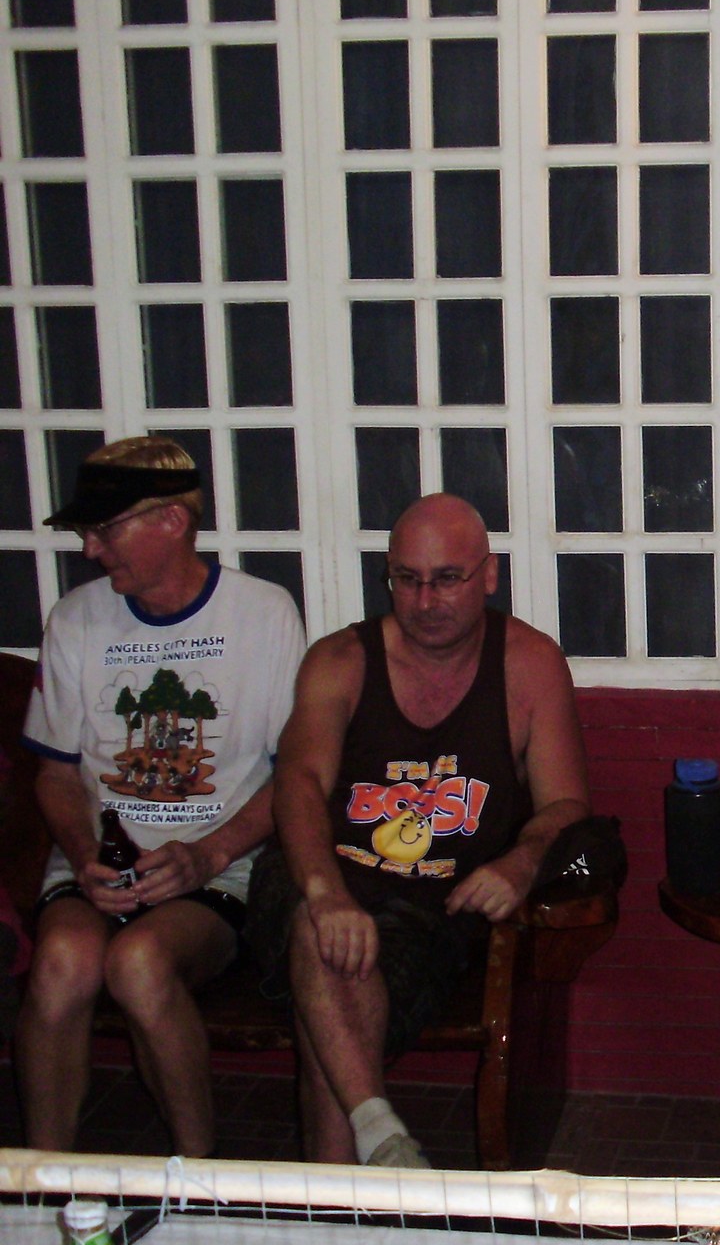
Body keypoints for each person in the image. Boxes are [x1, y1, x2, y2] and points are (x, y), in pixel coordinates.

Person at [260, 494, 589, 1168]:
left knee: (327, 1020)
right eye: (406, 579)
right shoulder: (340, 660)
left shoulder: (528, 663)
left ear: (488, 575)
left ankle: (350, 1182)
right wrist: (324, 890)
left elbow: (567, 805)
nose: (425, 600)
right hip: (317, 876)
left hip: (436, 908)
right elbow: (296, 782)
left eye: (447, 578)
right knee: (320, 935)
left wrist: (522, 861)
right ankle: (381, 1143)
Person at [16, 436, 304, 1157]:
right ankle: (43, 1182)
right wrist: (85, 854)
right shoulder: (76, 618)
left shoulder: (263, 613)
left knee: (139, 964)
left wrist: (208, 854)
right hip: (100, 859)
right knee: (61, 963)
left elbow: (294, 775)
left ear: (173, 521)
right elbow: (55, 772)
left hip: (217, 865)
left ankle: (195, 1176)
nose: (90, 550)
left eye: (105, 530)